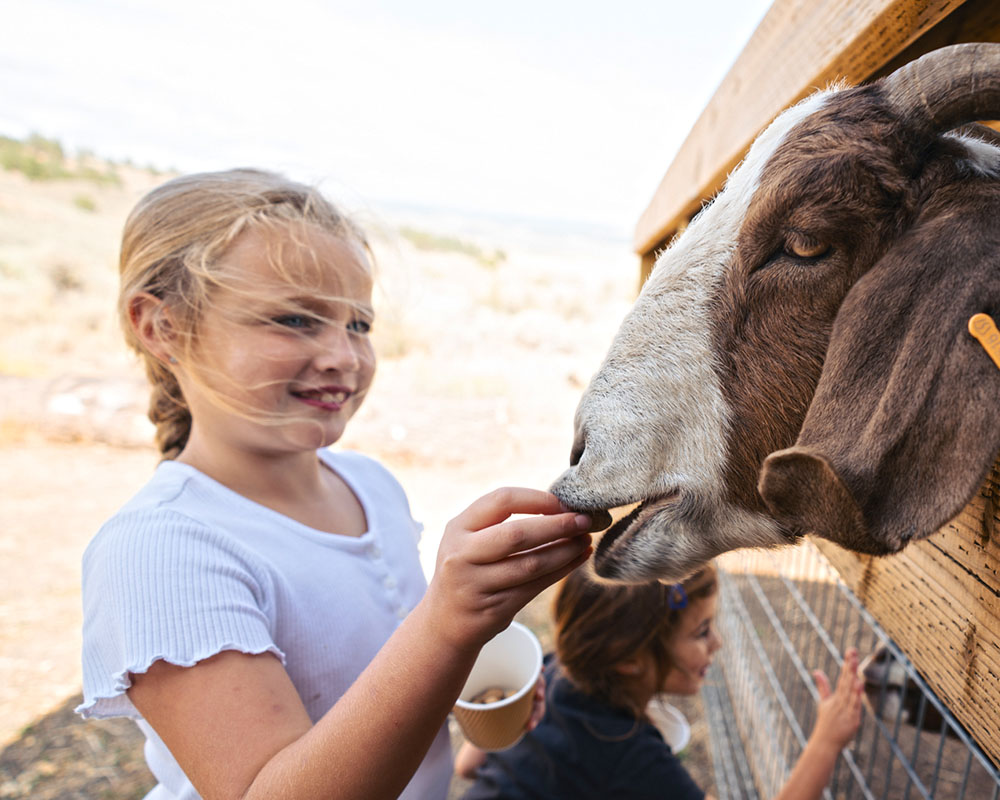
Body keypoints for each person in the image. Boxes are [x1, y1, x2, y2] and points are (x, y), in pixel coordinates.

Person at [76, 168, 605, 800]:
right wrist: (449, 622)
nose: (344, 357)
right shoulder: (161, 550)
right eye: (295, 320)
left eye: (358, 324)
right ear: (160, 327)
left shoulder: (369, 485)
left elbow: (367, 679)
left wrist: (464, 681)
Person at [454, 562, 865, 800]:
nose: (716, 643)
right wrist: (826, 742)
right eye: (701, 632)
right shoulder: (632, 757)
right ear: (631, 659)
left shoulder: (552, 670)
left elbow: (469, 764)